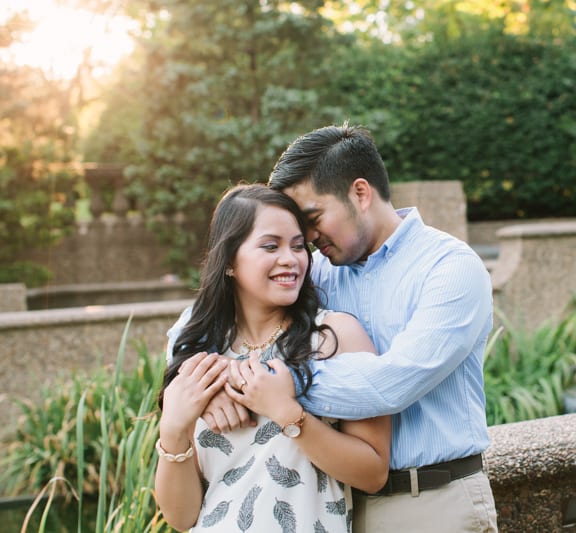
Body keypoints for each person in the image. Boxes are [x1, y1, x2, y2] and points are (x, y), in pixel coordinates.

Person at [167, 125, 498, 532]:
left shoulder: (449, 269)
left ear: (360, 193)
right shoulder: (319, 269)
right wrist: (197, 380)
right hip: (338, 504)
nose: (305, 240)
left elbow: (392, 384)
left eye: (312, 218)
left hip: (429, 501)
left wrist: (270, 386)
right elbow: (197, 322)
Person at [155, 184, 391, 532]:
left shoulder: (334, 337)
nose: (291, 259)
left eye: (298, 246)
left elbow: (373, 474)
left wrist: (287, 412)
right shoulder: (200, 356)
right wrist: (173, 428)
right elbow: (182, 518)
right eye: (270, 246)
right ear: (230, 261)